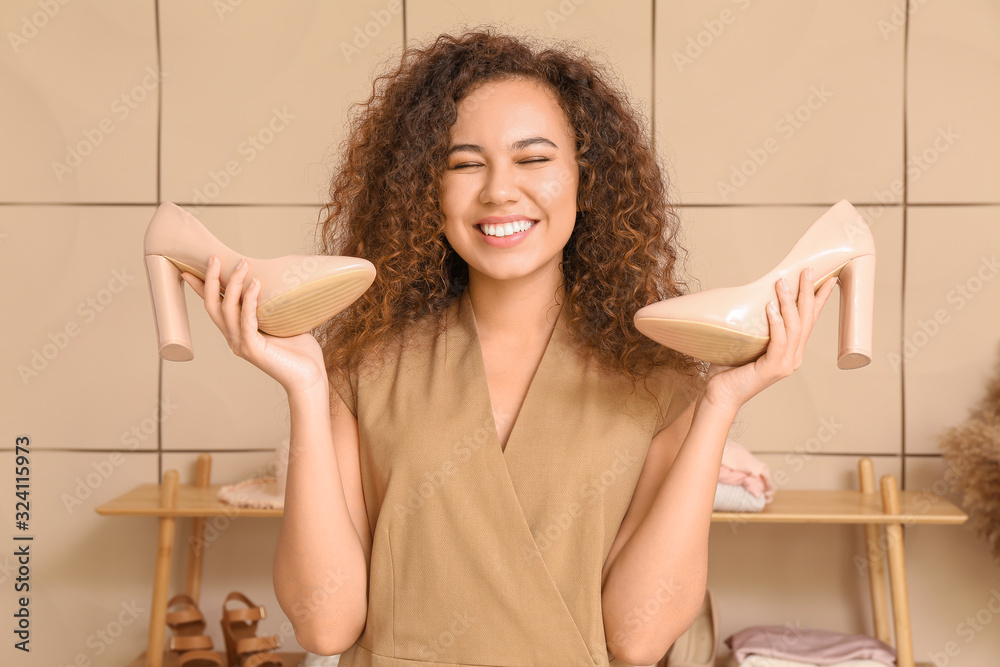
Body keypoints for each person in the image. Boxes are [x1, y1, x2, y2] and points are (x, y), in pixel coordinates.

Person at [179, 29, 836, 667]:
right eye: (464, 163)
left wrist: (721, 403)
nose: (499, 190)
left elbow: (638, 637)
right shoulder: (364, 369)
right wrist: (303, 389)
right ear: (423, 189)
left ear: (585, 175)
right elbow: (325, 621)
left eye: (533, 158)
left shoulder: (659, 382)